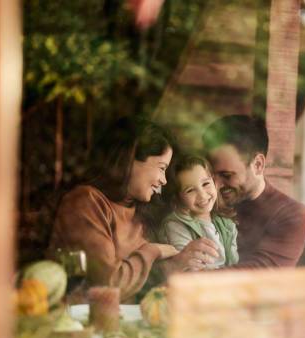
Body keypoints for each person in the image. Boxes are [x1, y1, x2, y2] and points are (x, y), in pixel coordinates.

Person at [49, 118, 219, 301]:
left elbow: (147, 289)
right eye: (162, 168)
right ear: (130, 160)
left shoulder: (144, 213)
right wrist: (153, 251)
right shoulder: (84, 202)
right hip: (84, 321)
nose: (164, 180)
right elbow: (109, 285)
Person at [202, 115, 305, 268]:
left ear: (258, 164)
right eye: (211, 176)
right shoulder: (205, 201)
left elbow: (257, 275)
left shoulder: (290, 214)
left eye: (227, 175)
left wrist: (187, 277)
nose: (216, 186)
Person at [158, 155, 238, 269]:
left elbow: (235, 263)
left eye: (206, 184)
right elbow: (190, 268)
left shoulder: (227, 225)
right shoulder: (175, 225)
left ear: (215, 183)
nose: (202, 195)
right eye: (190, 190)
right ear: (178, 198)